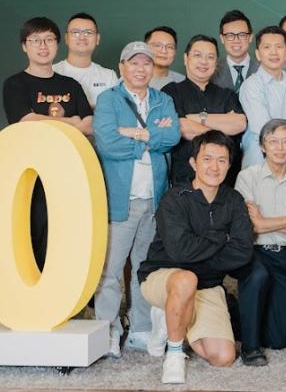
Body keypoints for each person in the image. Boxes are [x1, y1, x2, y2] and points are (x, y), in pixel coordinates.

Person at [138, 130, 254, 384]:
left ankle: (170, 318)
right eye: (207, 159)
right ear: (193, 163)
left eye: (222, 160)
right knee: (185, 279)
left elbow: (243, 251)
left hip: (208, 285)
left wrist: (201, 249)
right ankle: (174, 353)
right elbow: (180, 251)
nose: (215, 167)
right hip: (163, 276)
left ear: (229, 165)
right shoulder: (174, 198)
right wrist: (222, 238)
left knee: (223, 357)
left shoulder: (234, 200)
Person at [91, 41, 179, 356]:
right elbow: (108, 143)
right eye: (134, 63)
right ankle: (108, 329)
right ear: (122, 66)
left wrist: (136, 132)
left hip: (154, 199)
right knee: (111, 270)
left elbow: (172, 136)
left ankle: (140, 328)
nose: (141, 69)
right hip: (121, 199)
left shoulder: (163, 99)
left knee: (145, 268)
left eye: (146, 63)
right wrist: (150, 137)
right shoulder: (108, 99)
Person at [2, 16, 92, 268]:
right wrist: (71, 121)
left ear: (57, 44)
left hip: (67, 171)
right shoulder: (15, 84)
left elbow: (90, 124)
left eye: (49, 39)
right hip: (31, 173)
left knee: (64, 237)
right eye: (36, 40)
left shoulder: (71, 84)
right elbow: (26, 120)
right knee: (32, 235)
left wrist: (61, 123)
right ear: (24, 46)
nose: (43, 46)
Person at [234, 119, 286, 365]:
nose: (280, 148)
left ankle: (243, 313)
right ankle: (250, 348)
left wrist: (265, 220)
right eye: (273, 142)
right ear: (262, 146)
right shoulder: (247, 177)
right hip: (255, 253)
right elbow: (253, 227)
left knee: (278, 339)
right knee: (257, 278)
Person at [163, 35, 246, 187]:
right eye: (197, 55)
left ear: (216, 63)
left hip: (225, 183)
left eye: (210, 57)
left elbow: (239, 123)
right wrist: (222, 134)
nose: (204, 61)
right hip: (184, 181)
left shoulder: (227, 94)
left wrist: (196, 118)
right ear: (185, 58)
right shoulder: (171, 91)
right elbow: (182, 127)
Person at [238, 26, 286, 170]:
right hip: (259, 166)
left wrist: (276, 122)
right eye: (267, 47)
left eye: (279, 47)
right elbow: (264, 128)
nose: (274, 52)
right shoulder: (251, 85)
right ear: (258, 54)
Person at [53, 11, 117, 108]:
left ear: (97, 38)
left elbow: (113, 112)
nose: (82, 37)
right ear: (66, 38)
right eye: (75, 33)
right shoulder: (51, 72)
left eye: (88, 33)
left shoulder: (109, 77)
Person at [212, 10, 259, 92]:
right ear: (222, 38)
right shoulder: (211, 70)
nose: (236, 40)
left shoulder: (263, 69)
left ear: (250, 37)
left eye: (242, 35)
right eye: (230, 35)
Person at [146, 26, 185, 90]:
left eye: (170, 47)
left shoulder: (182, 82)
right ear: (145, 47)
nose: (164, 51)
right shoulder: (131, 80)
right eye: (157, 45)